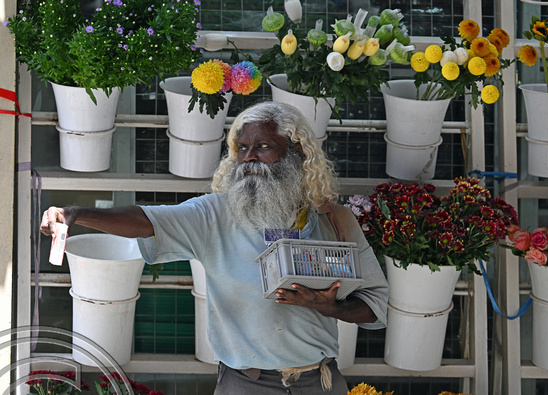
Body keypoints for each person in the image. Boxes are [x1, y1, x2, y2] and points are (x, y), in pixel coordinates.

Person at [41, 101, 389, 394]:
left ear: (295, 151)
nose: (250, 158)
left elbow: (375, 306)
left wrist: (331, 308)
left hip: (321, 382)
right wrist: (77, 214)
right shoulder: (214, 214)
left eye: (263, 147)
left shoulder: (334, 219)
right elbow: (146, 220)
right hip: (245, 385)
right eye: (242, 149)